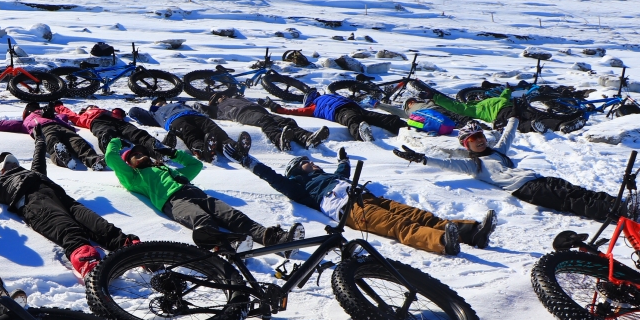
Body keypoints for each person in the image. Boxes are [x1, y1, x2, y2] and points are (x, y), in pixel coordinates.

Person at [227, 145, 493, 255]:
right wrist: (248, 161)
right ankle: (441, 242)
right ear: (297, 170)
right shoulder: (300, 188)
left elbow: (342, 172)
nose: (312, 163)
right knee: (399, 225)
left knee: (419, 215)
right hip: (350, 210)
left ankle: (470, 232)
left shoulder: (326, 175)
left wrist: (343, 160)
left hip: (368, 198)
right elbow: (274, 178)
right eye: (306, 163)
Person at [0, 135, 137, 281]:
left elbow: (38, 159)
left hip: (63, 199)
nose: (11, 161)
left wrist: (40, 140)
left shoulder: (33, 173)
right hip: (34, 204)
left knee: (100, 226)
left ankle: (138, 252)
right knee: (69, 232)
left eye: (13, 160)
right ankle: (90, 265)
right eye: (4, 162)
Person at [395, 120, 640, 223]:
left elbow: (508, 134)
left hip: (538, 178)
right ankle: (618, 213)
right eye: (473, 139)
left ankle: (620, 204)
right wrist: (421, 158)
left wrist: (514, 115)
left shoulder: (498, 151)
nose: (479, 140)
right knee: (570, 201)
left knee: (577, 190)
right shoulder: (474, 164)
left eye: (480, 136)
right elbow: (446, 164)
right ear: (466, 145)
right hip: (526, 189)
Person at [105, 136, 286, 249]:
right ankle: (227, 244)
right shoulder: (133, 177)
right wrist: (117, 141)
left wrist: (174, 153)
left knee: (232, 215)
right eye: (133, 156)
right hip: (173, 201)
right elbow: (110, 157)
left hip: (195, 192)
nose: (139, 155)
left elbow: (196, 165)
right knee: (202, 222)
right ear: (129, 164)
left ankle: (271, 237)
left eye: (141, 153)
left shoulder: (169, 170)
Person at [414, 81, 584, 134]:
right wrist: (435, 97)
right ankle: (535, 126)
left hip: (514, 105)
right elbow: (453, 105)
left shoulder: (496, 98)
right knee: (518, 122)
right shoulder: (470, 108)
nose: (478, 97)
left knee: (536, 115)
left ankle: (564, 123)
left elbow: (504, 95)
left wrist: (509, 89)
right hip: (501, 114)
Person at [0, 103, 105, 170]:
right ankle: (62, 159)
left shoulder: (48, 114)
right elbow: (3, 124)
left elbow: (63, 117)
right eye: (32, 109)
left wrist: (52, 115)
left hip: (63, 128)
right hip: (43, 129)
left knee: (79, 142)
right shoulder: (25, 122)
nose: (35, 110)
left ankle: (94, 161)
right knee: (52, 143)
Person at [198, 93, 329, 151]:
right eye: (219, 97)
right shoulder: (217, 109)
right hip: (243, 114)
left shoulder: (237, 98)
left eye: (222, 95)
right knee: (264, 121)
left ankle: (306, 138)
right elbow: (202, 109)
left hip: (260, 110)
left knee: (286, 121)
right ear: (215, 102)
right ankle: (278, 140)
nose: (223, 97)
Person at [128, 98, 242, 162]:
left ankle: (232, 146)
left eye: (163, 100)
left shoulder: (181, 103)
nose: (162, 102)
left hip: (197, 116)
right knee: (191, 134)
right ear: (154, 105)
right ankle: (202, 150)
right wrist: (152, 110)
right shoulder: (153, 114)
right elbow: (134, 112)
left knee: (216, 131)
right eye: (158, 102)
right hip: (176, 120)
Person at [269, 89, 404, 142]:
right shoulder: (312, 106)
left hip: (354, 107)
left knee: (379, 117)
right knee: (352, 120)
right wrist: (277, 108)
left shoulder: (329, 95)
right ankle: (362, 134)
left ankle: (404, 126)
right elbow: (294, 112)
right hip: (339, 111)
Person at [53, 103, 171, 159]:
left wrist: (117, 111)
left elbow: (119, 113)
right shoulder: (81, 117)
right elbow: (68, 113)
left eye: (94, 105)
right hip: (97, 122)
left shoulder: (107, 111)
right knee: (105, 133)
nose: (93, 106)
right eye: (90, 107)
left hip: (118, 122)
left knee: (137, 133)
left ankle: (158, 150)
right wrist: (58, 106)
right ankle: (110, 150)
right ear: (84, 110)